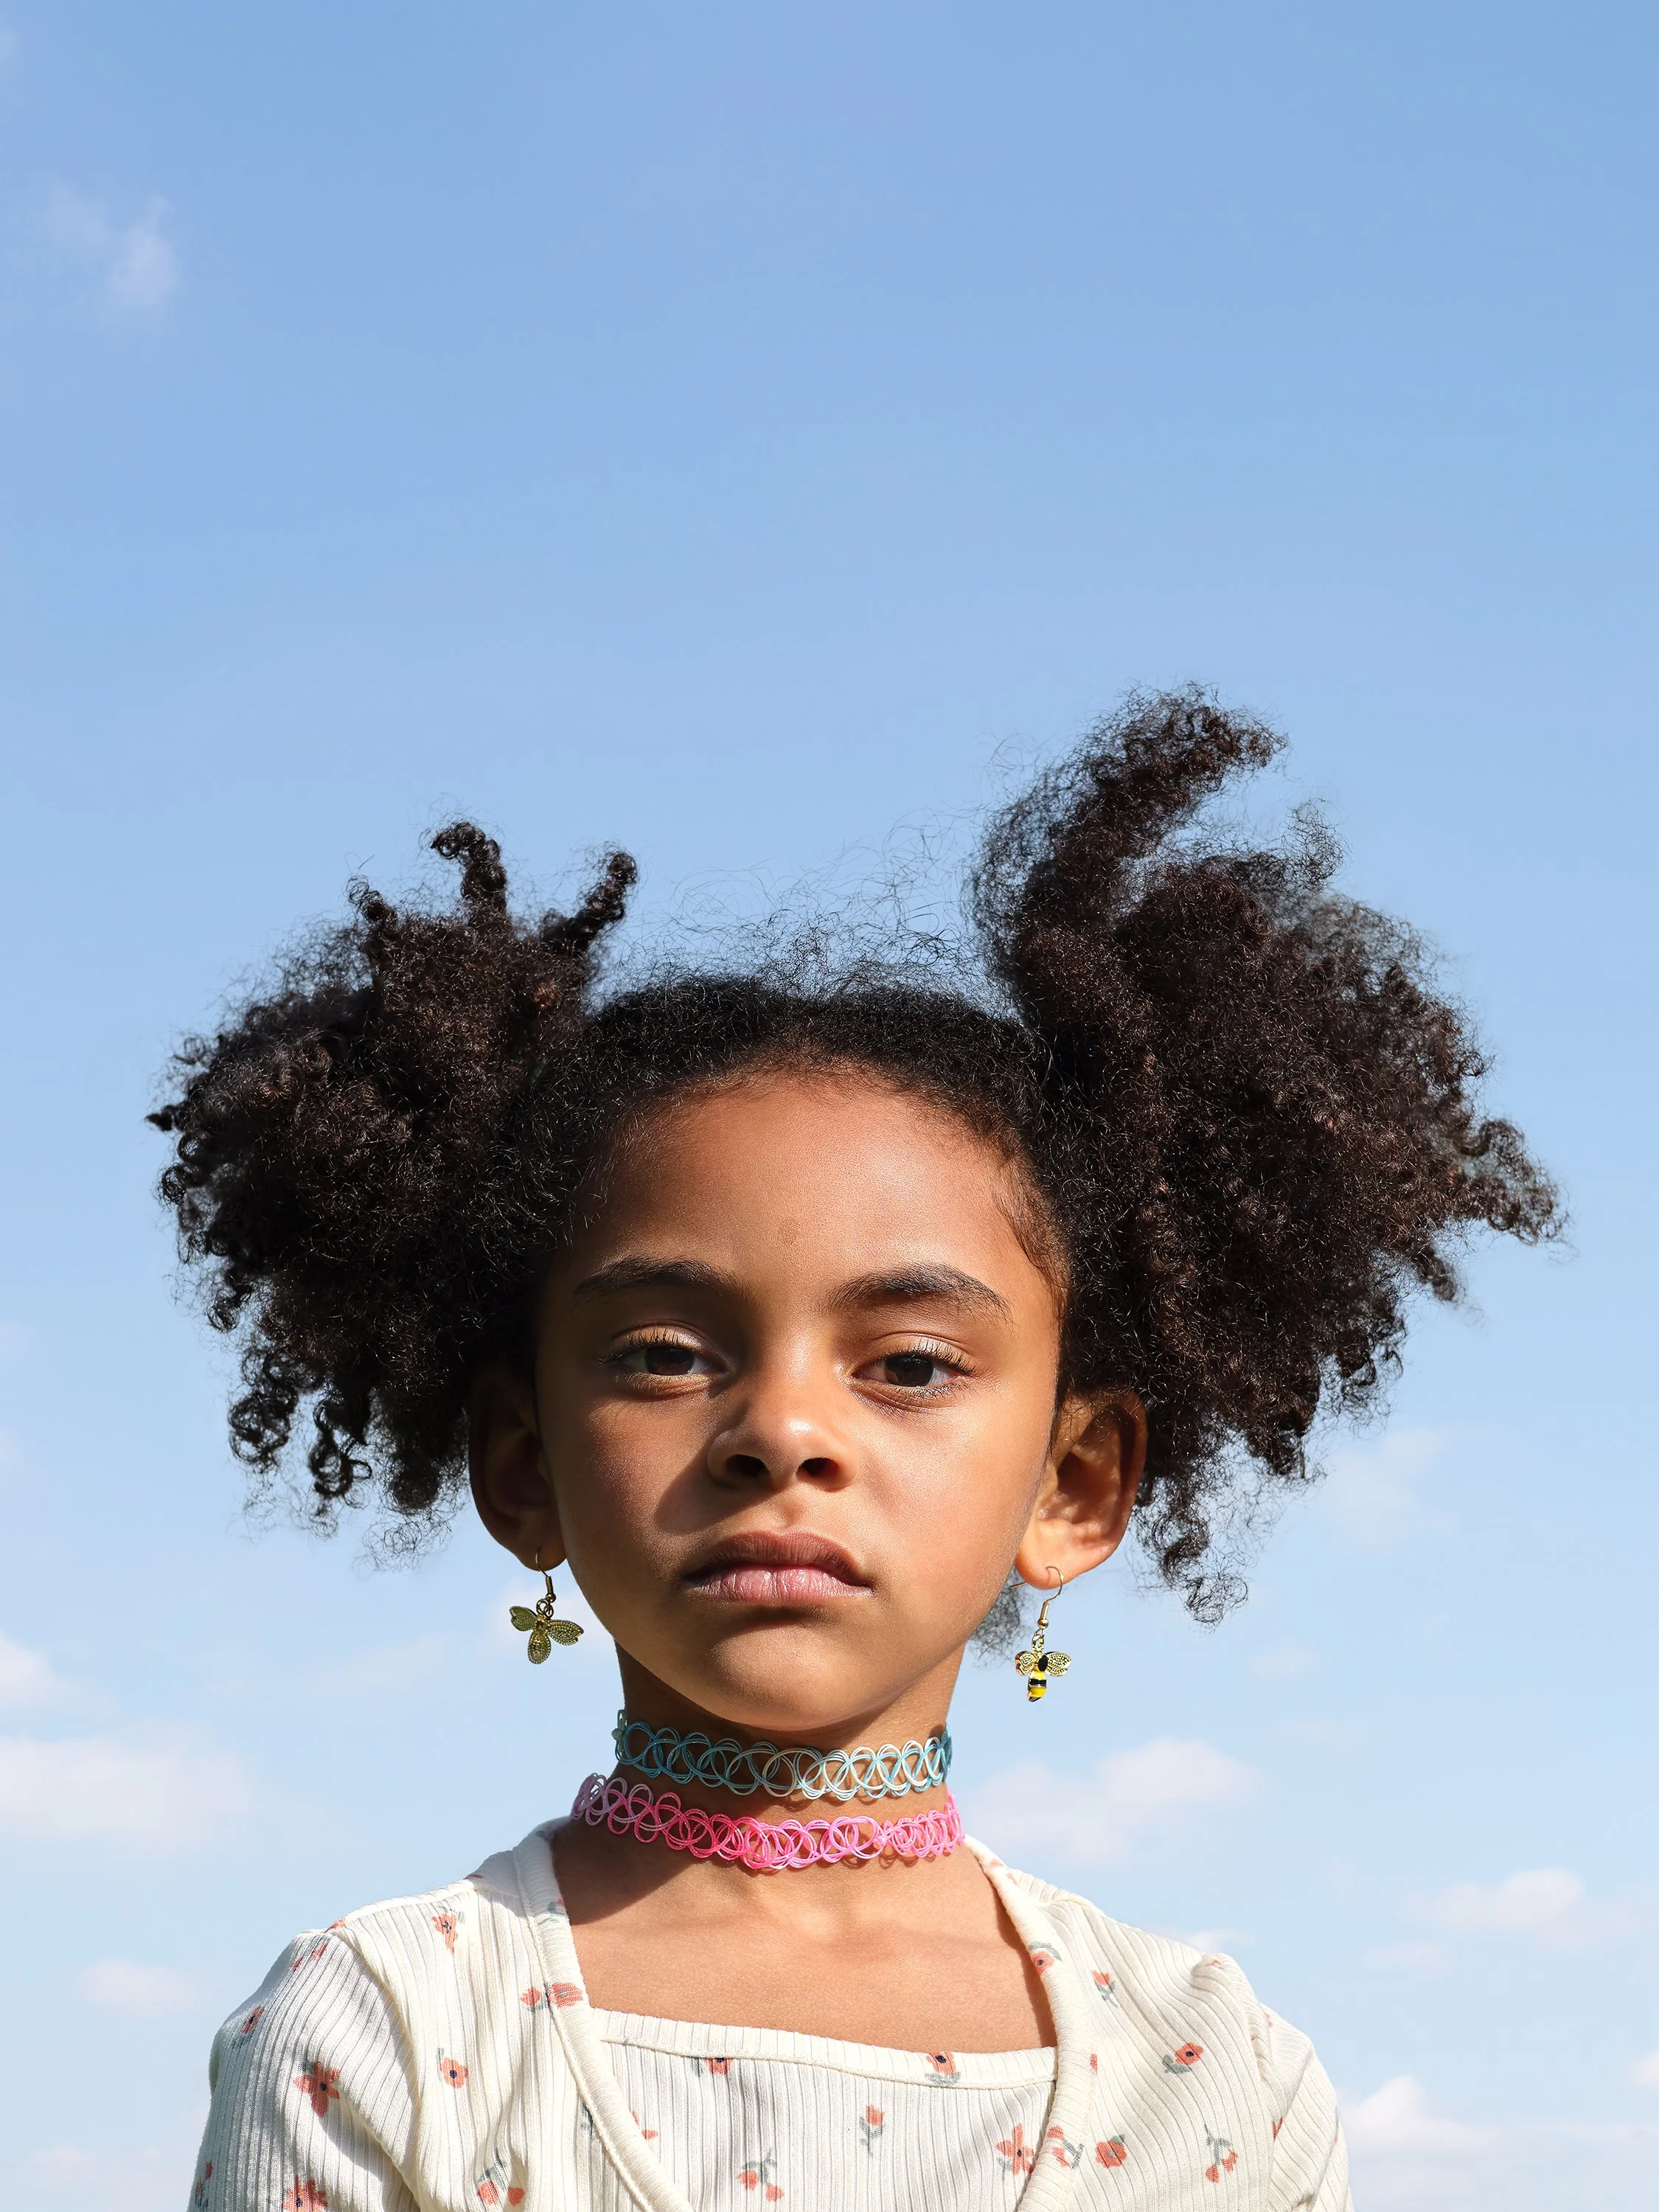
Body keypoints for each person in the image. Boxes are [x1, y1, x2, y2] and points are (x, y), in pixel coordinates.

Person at [154, 692, 1556, 2211]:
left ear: (1076, 1487)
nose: (783, 1432)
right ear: (524, 1469)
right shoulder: (384, 2031)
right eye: (668, 1356)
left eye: (907, 1364)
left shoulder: (1215, 2076)